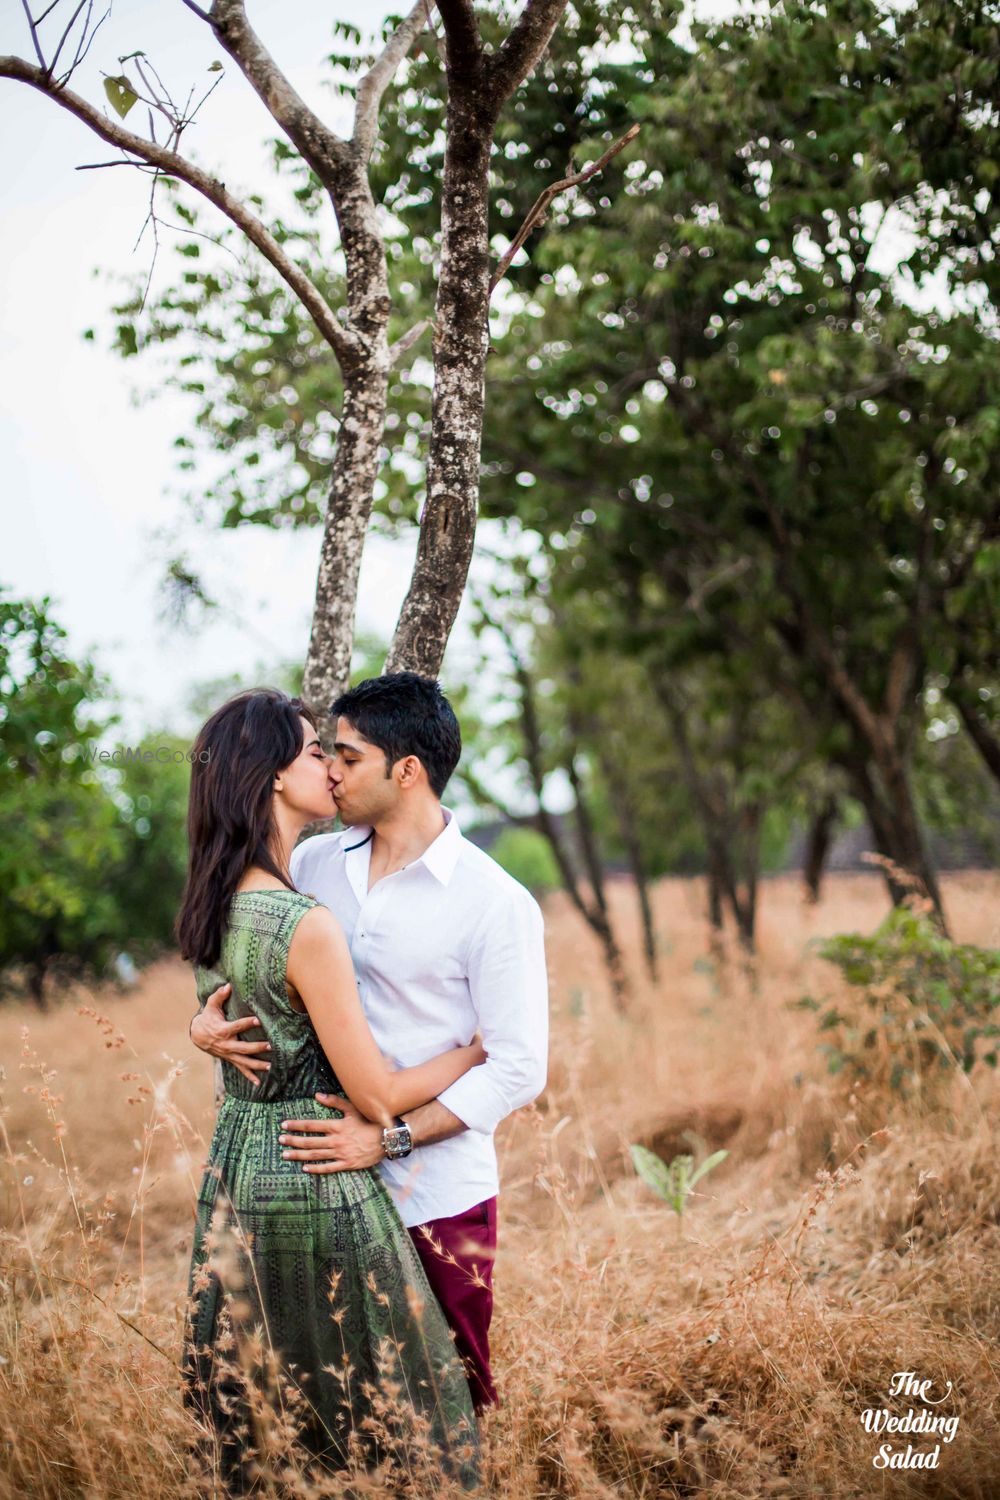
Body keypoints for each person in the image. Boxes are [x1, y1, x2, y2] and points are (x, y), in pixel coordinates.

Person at [192, 672, 550, 1416]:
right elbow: (258, 966)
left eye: (348, 758)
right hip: (320, 1192)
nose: (331, 770)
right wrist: (205, 1025)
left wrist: (387, 1138)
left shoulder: (495, 903)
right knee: (340, 1405)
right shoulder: (316, 866)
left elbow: (519, 1066)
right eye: (324, 754)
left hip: (436, 1197)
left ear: (407, 771)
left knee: (451, 1402)